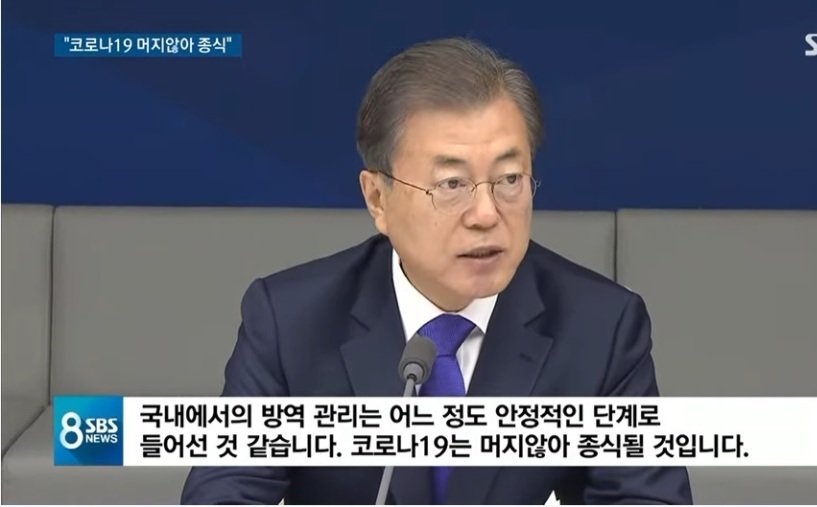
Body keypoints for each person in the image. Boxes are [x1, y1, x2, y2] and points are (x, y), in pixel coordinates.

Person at [181, 37, 692, 505]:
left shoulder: (601, 328)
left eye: (509, 179)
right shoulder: (291, 321)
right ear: (377, 198)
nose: (486, 214)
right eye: (451, 185)